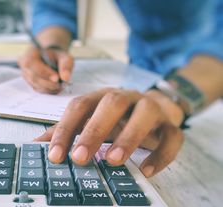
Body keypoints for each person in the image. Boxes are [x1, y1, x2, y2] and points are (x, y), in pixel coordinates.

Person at [19, 0, 223, 177]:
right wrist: (52, 46)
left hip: (209, 78)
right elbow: (52, 7)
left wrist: (172, 96)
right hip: (141, 66)